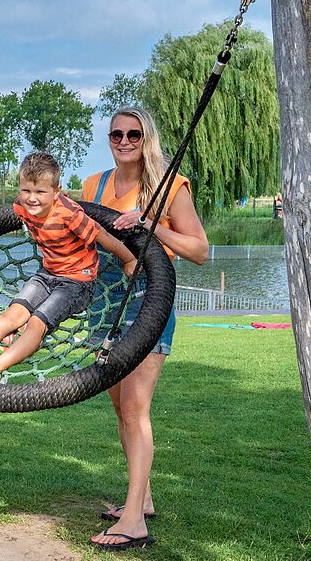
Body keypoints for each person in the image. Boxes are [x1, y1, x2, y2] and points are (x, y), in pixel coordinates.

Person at [81, 107, 208, 551]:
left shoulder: (170, 187)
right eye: (116, 134)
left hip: (149, 297)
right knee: (120, 407)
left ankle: (133, 521)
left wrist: (152, 226)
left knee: (136, 407)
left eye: (133, 134)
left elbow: (199, 250)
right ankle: (143, 498)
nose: (124, 141)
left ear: (146, 137)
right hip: (106, 299)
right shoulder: (93, 185)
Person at [0, 151, 137, 383]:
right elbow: (3, 217)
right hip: (47, 274)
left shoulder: (69, 214)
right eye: (26, 191)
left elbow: (102, 235)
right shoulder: (21, 207)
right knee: (13, 314)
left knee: (36, 322)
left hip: (77, 283)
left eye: (40, 192)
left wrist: (129, 260)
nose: (32, 198)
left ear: (56, 191)